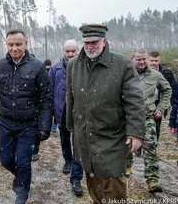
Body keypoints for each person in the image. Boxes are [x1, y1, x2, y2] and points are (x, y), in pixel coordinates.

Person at [66, 24, 146, 203]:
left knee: (113, 183)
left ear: (105, 41)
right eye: (86, 43)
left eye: (94, 42)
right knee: (92, 178)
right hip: (85, 133)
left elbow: (134, 102)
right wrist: (70, 123)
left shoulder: (122, 64)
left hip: (113, 135)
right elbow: (70, 96)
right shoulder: (74, 65)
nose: (90, 47)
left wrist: (135, 133)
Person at [0, 29, 53, 204]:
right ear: (6, 45)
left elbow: (46, 98)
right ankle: (21, 176)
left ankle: (22, 193)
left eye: (18, 44)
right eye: (11, 44)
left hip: (28, 125)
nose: (14, 48)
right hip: (6, 123)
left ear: (26, 44)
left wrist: (45, 126)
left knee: (23, 162)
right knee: (6, 160)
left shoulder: (37, 67)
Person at [126, 47, 172, 193]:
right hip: (127, 118)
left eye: (144, 59)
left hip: (148, 117)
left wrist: (161, 107)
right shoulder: (125, 74)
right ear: (132, 58)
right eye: (138, 59)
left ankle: (152, 181)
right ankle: (126, 166)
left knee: (150, 148)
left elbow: (167, 89)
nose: (142, 62)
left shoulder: (155, 75)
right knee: (125, 146)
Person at [49, 40, 84, 196]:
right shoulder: (55, 69)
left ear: (78, 50)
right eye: (67, 51)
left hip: (80, 115)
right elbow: (48, 91)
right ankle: (68, 161)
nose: (70, 54)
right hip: (61, 112)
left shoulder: (84, 67)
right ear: (63, 51)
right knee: (64, 139)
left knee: (78, 144)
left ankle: (76, 178)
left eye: (73, 51)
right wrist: (50, 113)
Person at [147, 51, 175, 142]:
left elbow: (172, 88)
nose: (154, 63)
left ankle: (154, 145)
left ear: (159, 60)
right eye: (152, 60)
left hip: (159, 102)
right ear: (147, 60)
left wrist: (172, 105)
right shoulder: (141, 71)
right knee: (142, 125)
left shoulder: (167, 72)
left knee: (156, 126)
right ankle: (139, 147)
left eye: (156, 61)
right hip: (145, 102)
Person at [32, 58, 53, 161]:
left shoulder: (44, 71)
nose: (48, 67)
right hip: (29, 108)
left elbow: (47, 94)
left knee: (36, 133)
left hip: (38, 108)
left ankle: (35, 151)